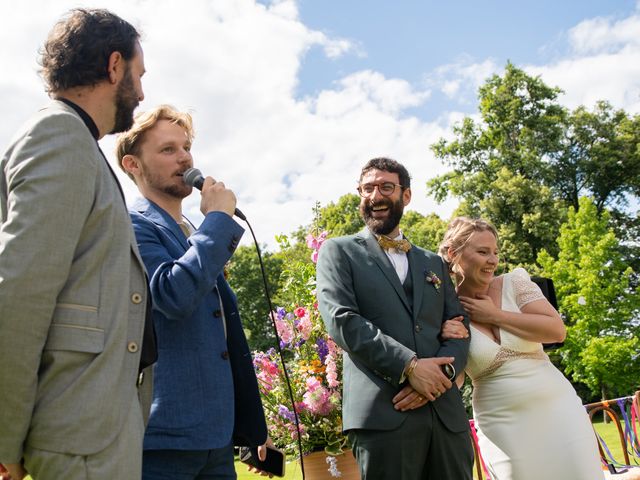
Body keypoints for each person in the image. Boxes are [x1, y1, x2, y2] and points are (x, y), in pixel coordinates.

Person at [0, 8, 155, 480]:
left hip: (95, 429)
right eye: (139, 73)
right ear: (114, 67)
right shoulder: (60, 134)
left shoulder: (78, 142)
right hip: (79, 435)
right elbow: (18, 291)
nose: (143, 91)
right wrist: (5, 438)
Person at [115, 105, 270, 479]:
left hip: (215, 439)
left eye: (186, 147)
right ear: (132, 164)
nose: (184, 157)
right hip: (163, 436)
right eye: (168, 149)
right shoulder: (130, 226)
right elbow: (172, 295)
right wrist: (218, 221)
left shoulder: (193, 232)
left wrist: (249, 424)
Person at [316, 157, 474, 480]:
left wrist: (441, 374)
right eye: (367, 188)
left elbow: (460, 329)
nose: (375, 196)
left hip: (445, 416)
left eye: (386, 187)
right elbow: (342, 320)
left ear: (406, 196)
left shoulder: (434, 263)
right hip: (384, 417)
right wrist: (410, 367)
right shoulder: (338, 252)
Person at [439, 216, 605, 480]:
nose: (492, 260)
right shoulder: (444, 310)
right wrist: (445, 340)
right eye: (482, 252)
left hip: (560, 409)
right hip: (501, 422)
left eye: (495, 252)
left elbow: (556, 331)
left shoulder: (514, 283)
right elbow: (454, 380)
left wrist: (496, 316)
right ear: (453, 254)